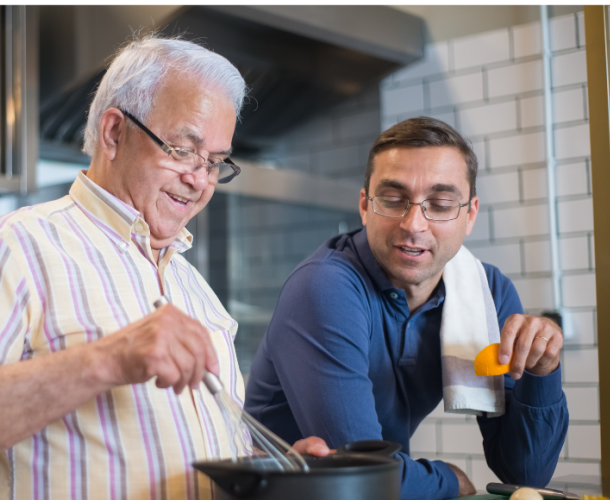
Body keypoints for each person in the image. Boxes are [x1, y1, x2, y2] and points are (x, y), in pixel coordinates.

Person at [0, 35, 325, 500]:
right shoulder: (15, 247)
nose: (199, 179)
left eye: (215, 162)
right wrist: (107, 359)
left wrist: (275, 471)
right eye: (182, 149)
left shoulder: (194, 288)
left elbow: (198, 453)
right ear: (114, 133)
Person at [244, 117, 569, 500]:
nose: (414, 224)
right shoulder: (324, 288)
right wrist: (449, 478)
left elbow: (524, 473)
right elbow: (359, 474)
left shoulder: (486, 293)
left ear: (470, 214)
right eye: (393, 200)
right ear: (365, 206)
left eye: (441, 204)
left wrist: (543, 370)